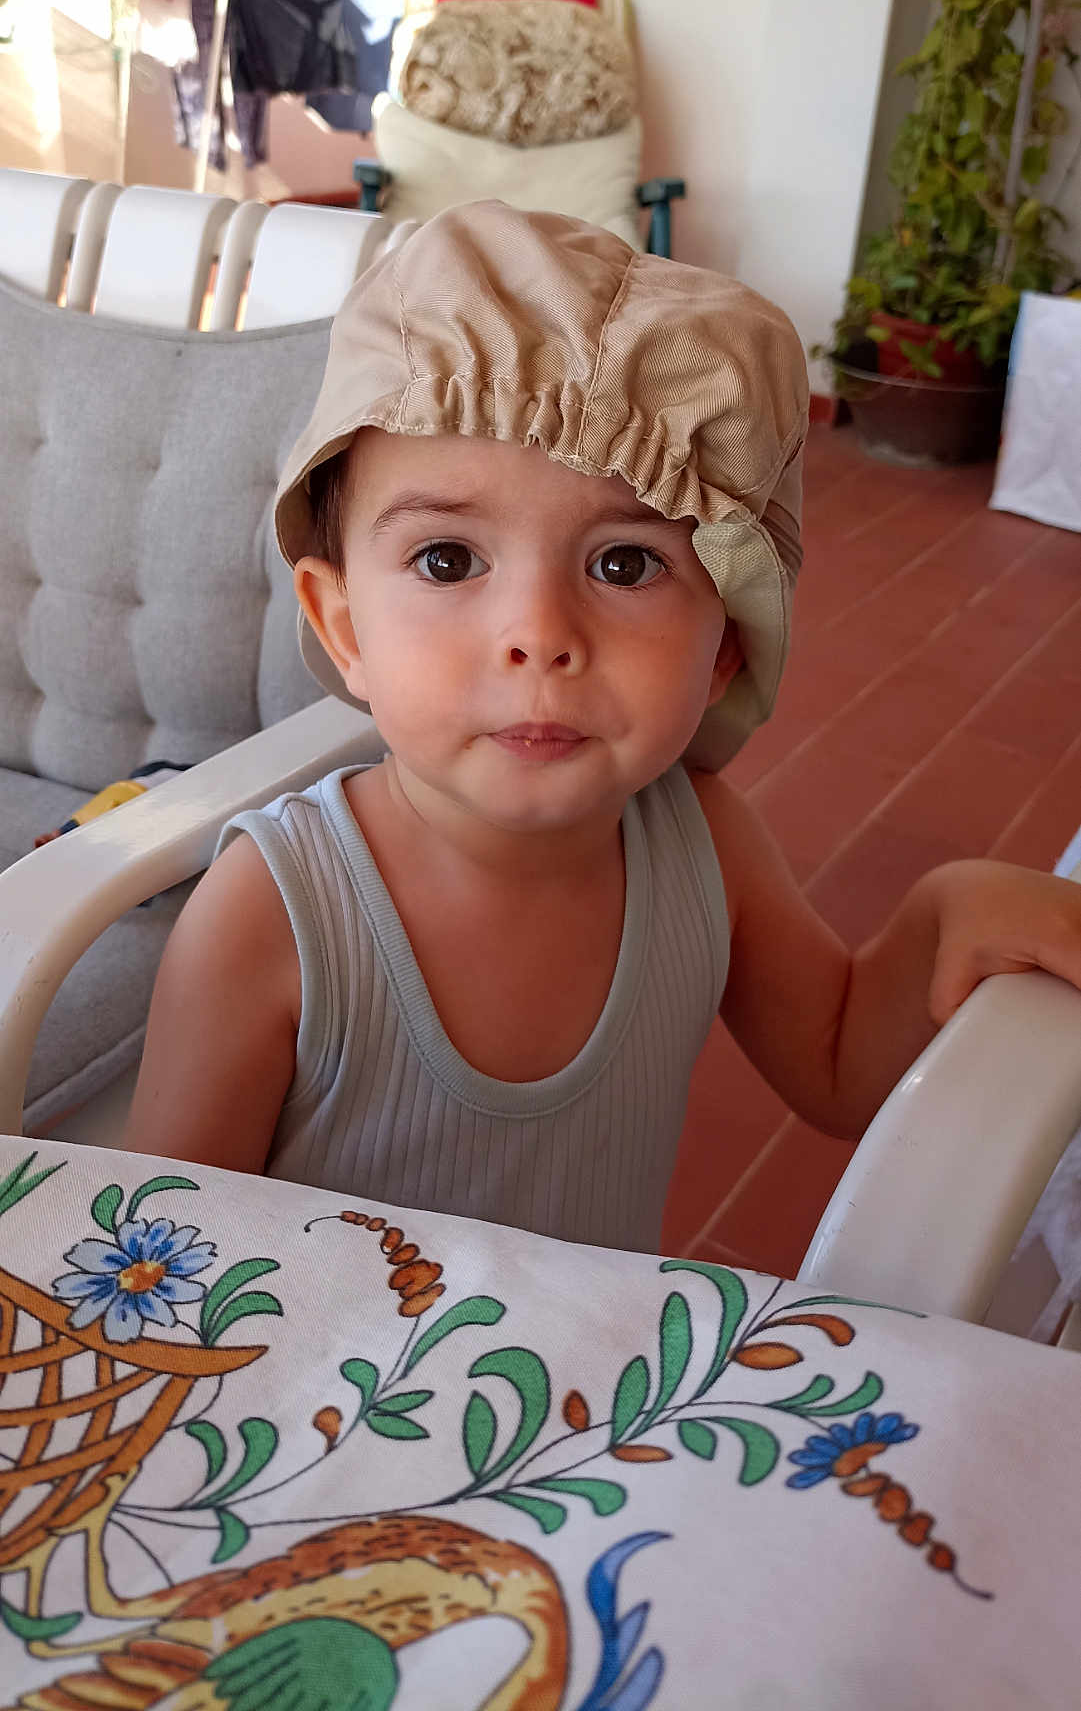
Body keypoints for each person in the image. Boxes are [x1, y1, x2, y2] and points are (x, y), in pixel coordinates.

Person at [126, 203, 1081, 1253]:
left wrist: (948, 915)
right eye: (448, 560)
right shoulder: (270, 912)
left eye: (624, 564)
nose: (539, 635)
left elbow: (840, 1063)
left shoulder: (701, 844)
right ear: (343, 625)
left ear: (724, 648)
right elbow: (164, 1256)